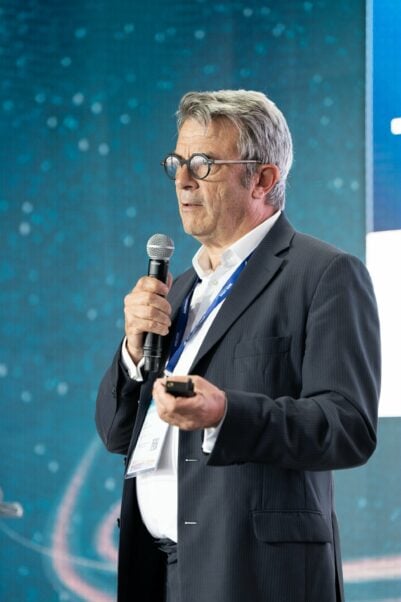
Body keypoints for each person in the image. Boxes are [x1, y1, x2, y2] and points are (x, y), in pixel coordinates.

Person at [95, 90, 380, 602]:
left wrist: (227, 413)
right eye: (177, 162)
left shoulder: (324, 274)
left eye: (203, 164)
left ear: (263, 180)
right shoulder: (177, 290)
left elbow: (347, 428)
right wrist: (133, 354)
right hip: (157, 572)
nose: (183, 180)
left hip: (255, 575)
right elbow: (116, 435)